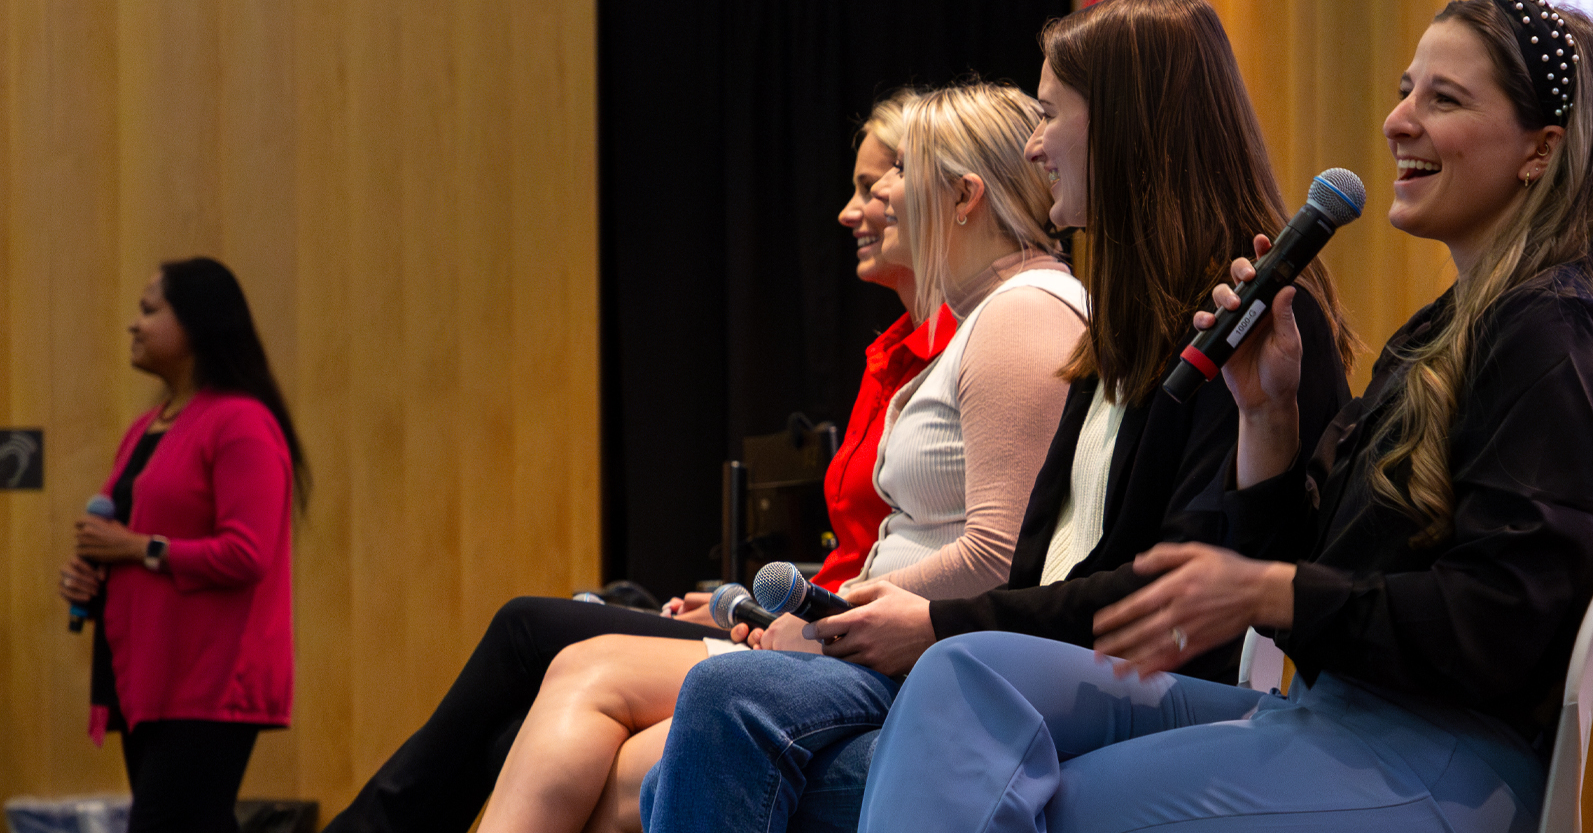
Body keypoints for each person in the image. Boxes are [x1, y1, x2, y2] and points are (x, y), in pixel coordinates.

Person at [854, 0, 1593, 833]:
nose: (1398, 121)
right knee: (965, 674)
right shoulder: (1447, 328)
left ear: (1541, 150)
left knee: (1051, 799)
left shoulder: (1551, 336)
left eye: (1443, 99)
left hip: (1441, 759)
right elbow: (1330, 573)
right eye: (1405, 91)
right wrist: (1266, 423)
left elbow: (1499, 624)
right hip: (1331, 715)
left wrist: (1272, 591)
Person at [636, 0, 1357, 833]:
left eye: (1052, 113)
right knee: (694, 734)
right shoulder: (1123, 332)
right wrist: (901, 623)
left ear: (1126, 126)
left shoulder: (1251, 327)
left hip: (1116, 692)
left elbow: (1171, 597)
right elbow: (1050, 567)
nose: (1035, 143)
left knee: (721, 711)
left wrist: (939, 625)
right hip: (1031, 671)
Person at [321, 91, 954, 833]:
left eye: (872, 188)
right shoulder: (896, 354)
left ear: (949, 194)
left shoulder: (977, 341)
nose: (850, 212)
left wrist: (800, 618)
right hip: (824, 619)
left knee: (533, 636)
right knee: (534, 709)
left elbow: (969, 554)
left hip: (850, 641)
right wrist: (764, 602)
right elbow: (879, 551)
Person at [476, 82, 1085, 833]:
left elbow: (999, 555)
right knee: (606, 740)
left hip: (927, 661)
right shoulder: (992, 317)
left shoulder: (1022, 315)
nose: (886, 197)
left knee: (632, 761)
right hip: (892, 644)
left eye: (904, 174)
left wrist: (824, 621)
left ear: (963, 197)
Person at [57, 258, 307, 833]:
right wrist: (90, 578)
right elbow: (121, 541)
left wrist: (137, 548)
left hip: (210, 680)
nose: (134, 325)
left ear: (197, 323)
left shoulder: (241, 422)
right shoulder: (145, 429)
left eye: (150, 310)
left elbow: (247, 553)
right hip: (149, 675)